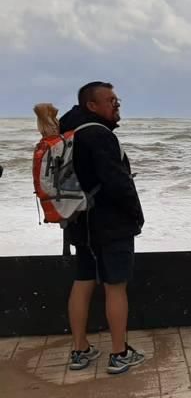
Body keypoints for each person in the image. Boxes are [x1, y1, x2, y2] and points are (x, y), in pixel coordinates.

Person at [59, 81, 146, 374]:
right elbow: (116, 182)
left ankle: (80, 349)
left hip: (79, 221)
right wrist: (136, 213)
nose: (116, 104)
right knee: (115, 287)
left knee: (83, 282)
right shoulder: (99, 135)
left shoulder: (68, 133)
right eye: (110, 100)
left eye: (117, 99)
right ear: (91, 106)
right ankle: (119, 353)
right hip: (110, 224)